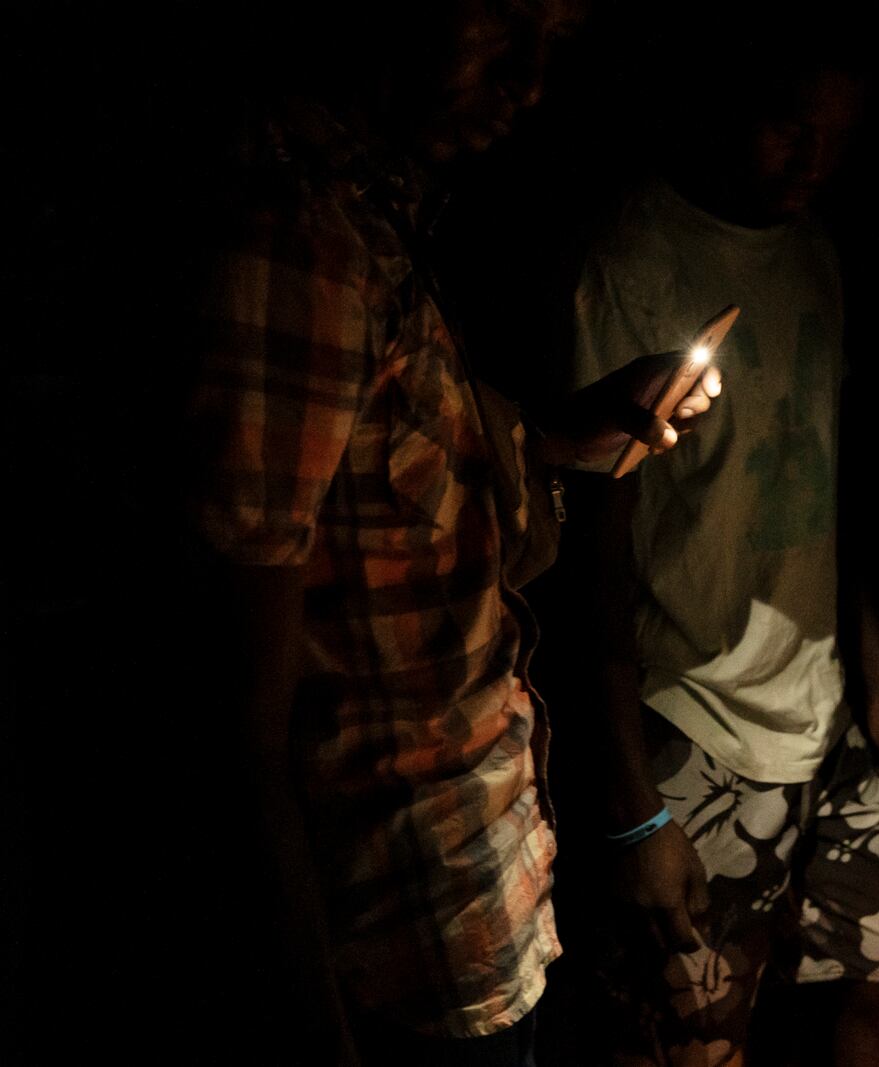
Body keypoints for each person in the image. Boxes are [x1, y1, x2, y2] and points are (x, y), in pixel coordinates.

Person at [188, 2, 720, 1063]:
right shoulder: (295, 244)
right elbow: (238, 713)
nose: (527, 80)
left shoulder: (376, 217)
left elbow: (385, 487)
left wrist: (571, 432)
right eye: (499, 26)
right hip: (399, 930)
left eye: (555, 45)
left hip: (481, 893)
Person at [561, 35, 879, 1067]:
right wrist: (634, 801)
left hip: (820, 704)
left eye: (839, 139)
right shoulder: (629, 258)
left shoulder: (813, 247)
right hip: (691, 713)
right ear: (721, 101)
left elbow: (820, 482)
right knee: (700, 1035)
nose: (813, 162)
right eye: (790, 130)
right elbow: (591, 537)